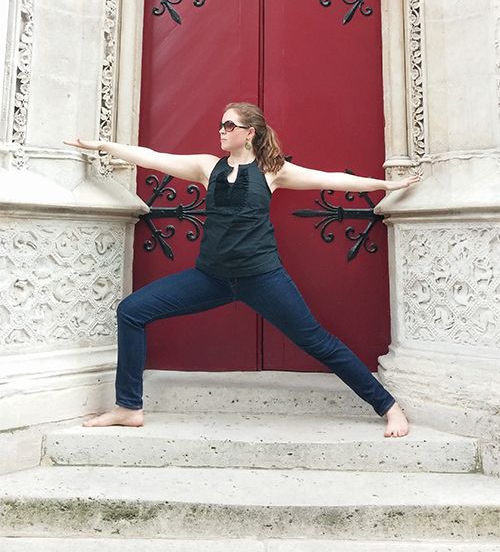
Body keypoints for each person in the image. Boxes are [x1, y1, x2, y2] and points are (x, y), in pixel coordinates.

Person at [65, 102, 419, 436]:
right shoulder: (207, 167)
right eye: (221, 124)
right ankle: (129, 407)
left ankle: (388, 406)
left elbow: (329, 180)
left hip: (263, 278)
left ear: (249, 133)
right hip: (210, 278)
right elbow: (155, 158)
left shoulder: (273, 170)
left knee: (318, 342)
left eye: (229, 124)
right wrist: (105, 145)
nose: (221, 130)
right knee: (131, 311)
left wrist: (385, 186)